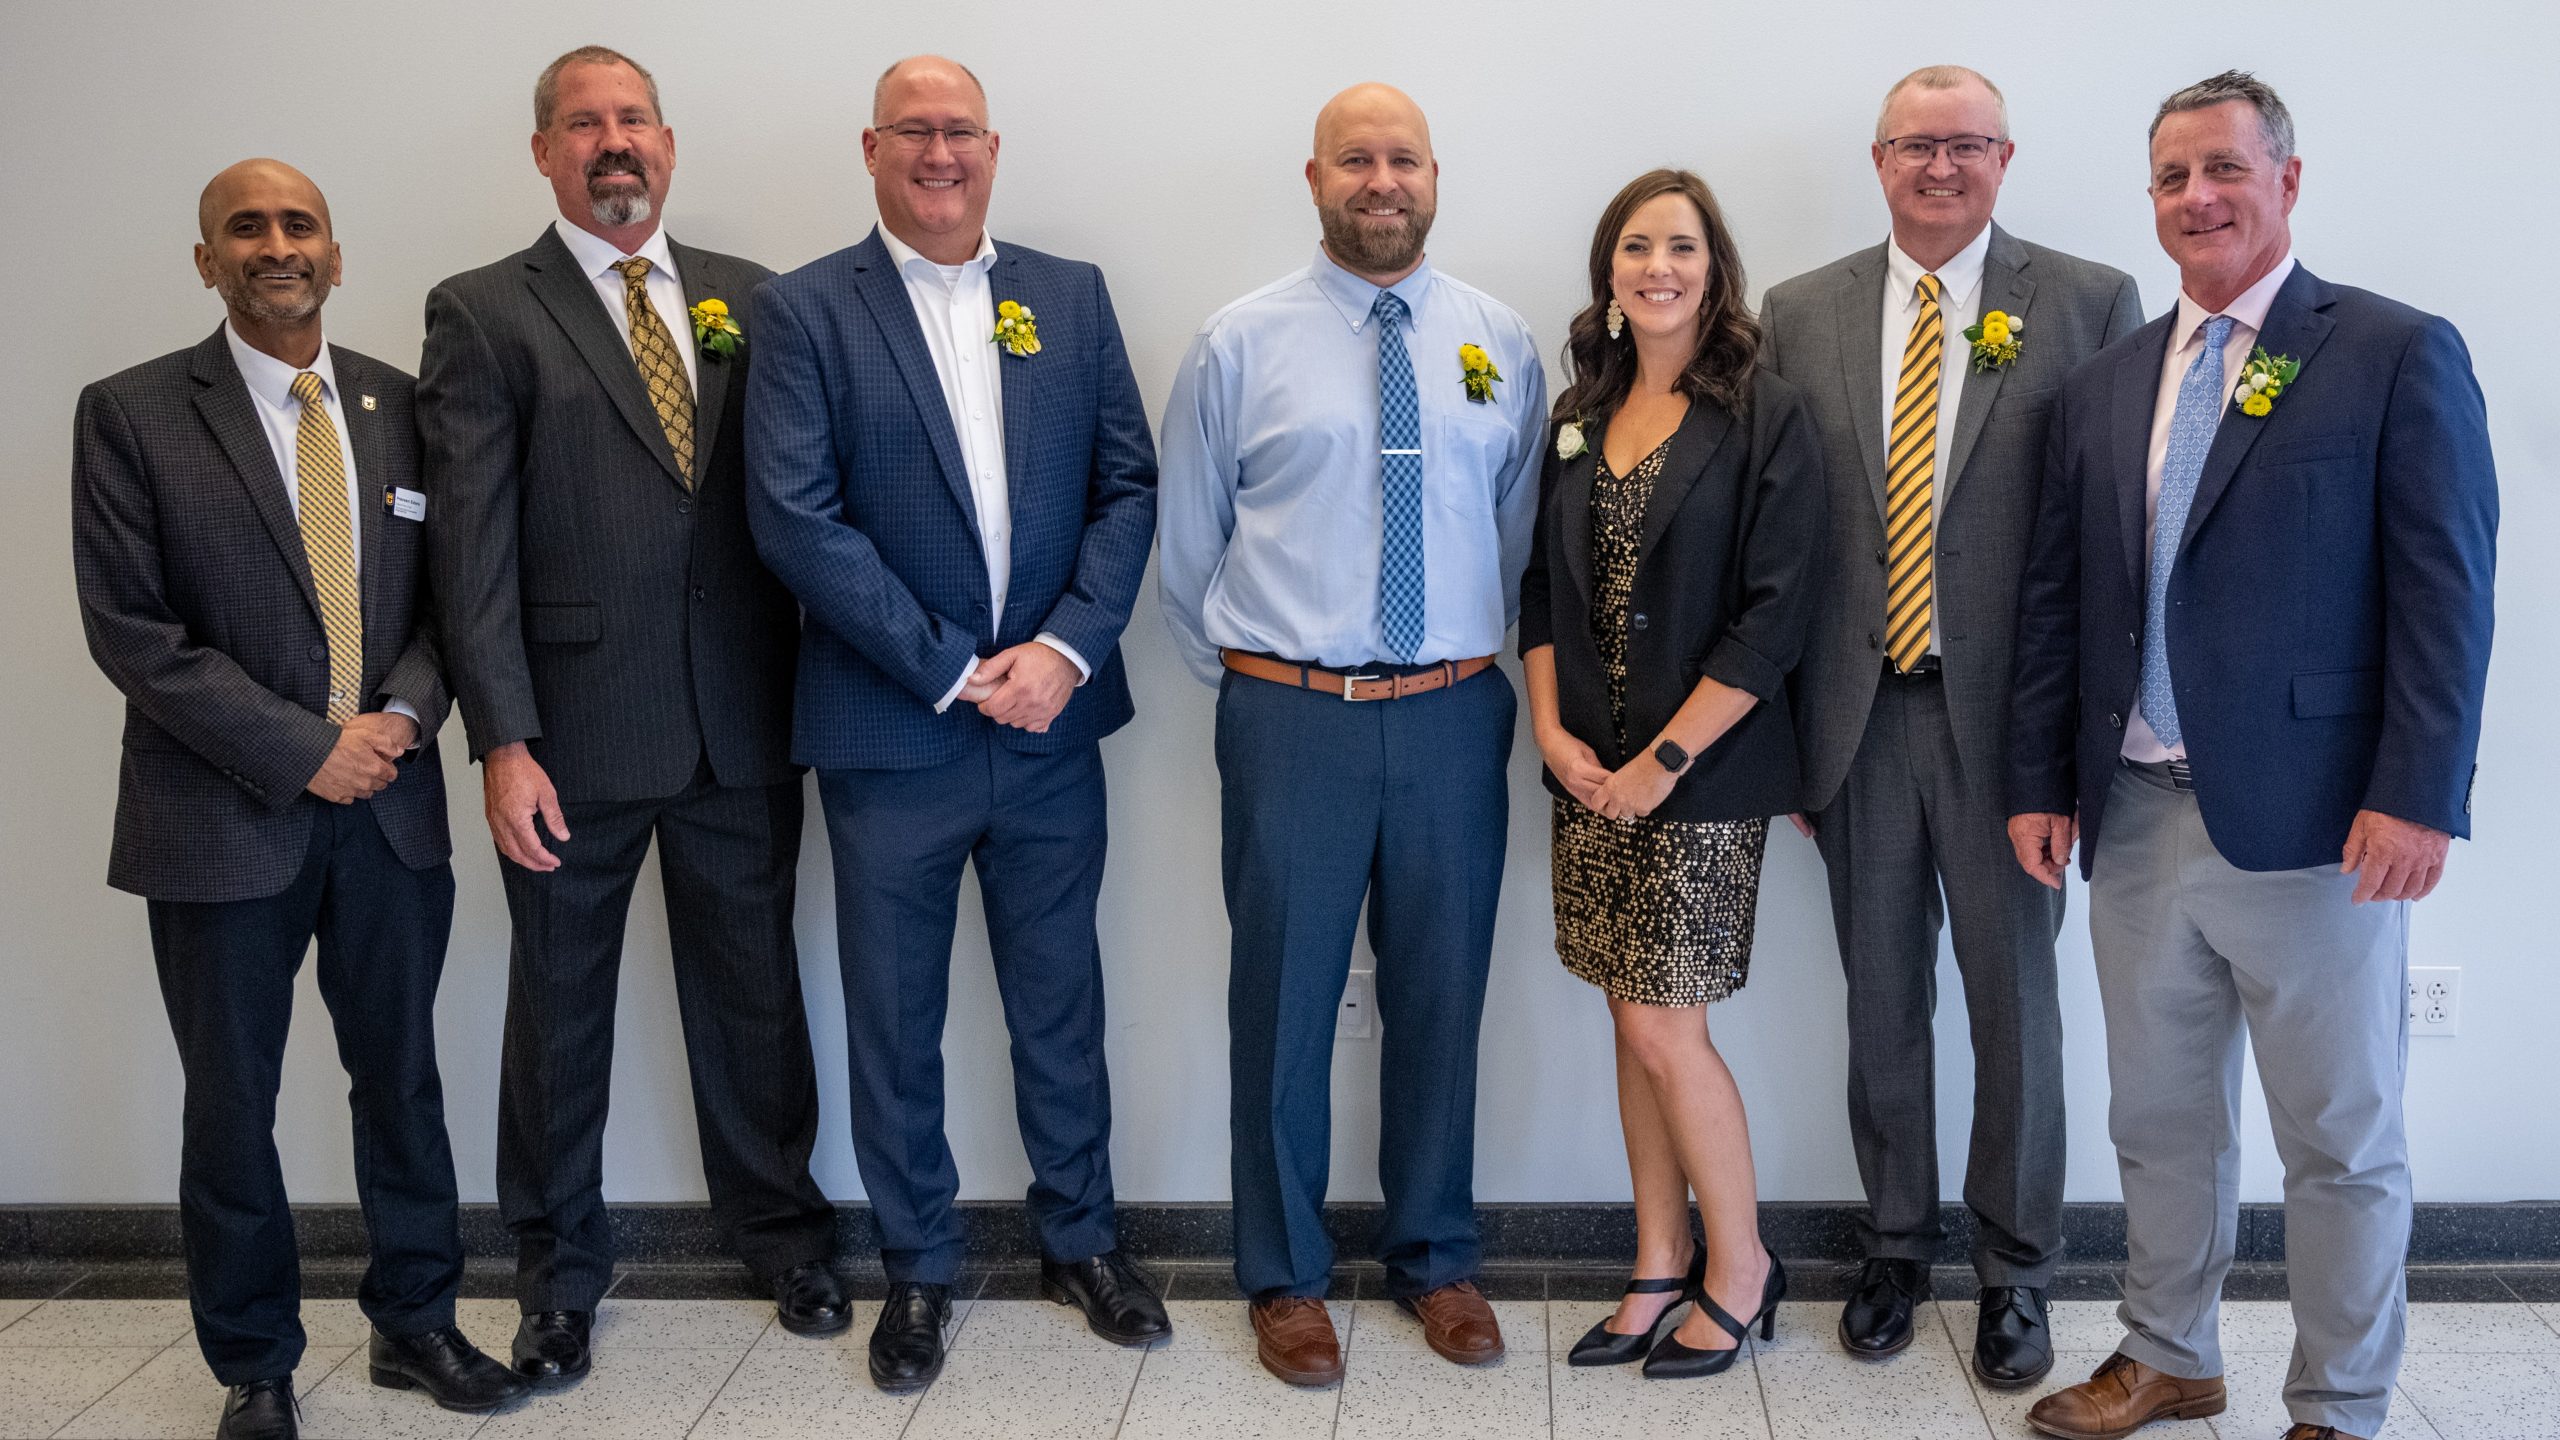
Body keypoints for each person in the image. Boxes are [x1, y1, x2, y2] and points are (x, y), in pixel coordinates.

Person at [2008, 72, 2496, 1440]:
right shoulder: (2108, 385)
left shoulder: (2391, 352)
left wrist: (2416, 795)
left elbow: (2446, 596)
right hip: (2134, 817)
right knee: (2157, 1121)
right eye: (2172, 176)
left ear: (2287, 180)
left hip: (2320, 825)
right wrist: (2040, 780)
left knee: (2337, 1138)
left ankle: (2337, 1400)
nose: (2197, 196)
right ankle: (2169, 1354)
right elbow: (2057, 601)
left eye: (2223, 167)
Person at [72, 159, 526, 1440]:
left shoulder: (400, 405)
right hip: (219, 820)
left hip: (389, 807)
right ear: (205, 261)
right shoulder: (132, 413)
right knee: (232, 1104)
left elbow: (452, 597)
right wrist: (301, 749)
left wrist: (405, 717)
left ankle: (416, 1323)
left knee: (402, 1081)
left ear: (335, 253)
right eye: (246, 228)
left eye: (299, 224)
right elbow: (132, 633)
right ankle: (255, 1363)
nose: (276, 244)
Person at [419, 46, 843, 1387]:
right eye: (585, 123)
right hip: (568, 738)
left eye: (634, 120)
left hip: (742, 720)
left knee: (757, 995)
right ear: (544, 152)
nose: (615, 141)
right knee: (558, 1017)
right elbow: (468, 550)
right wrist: (502, 742)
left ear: (668, 142)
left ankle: (784, 1237)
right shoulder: (484, 310)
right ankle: (556, 1279)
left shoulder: (751, 297)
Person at [745, 54, 1167, 1393]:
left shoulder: (1068, 296)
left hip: (1050, 729)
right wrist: (949, 667)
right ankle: (918, 1269)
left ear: (994, 148)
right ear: (872, 149)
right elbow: (795, 518)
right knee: (894, 1022)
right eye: (914, 131)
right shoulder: (804, 310)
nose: (941, 153)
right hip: (892, 736)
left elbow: (1127, 487)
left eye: (961, 131)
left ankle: (1081, 1242)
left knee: (1061, 1007)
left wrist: (1063, 650)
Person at [1758, 64, 2143, 1386]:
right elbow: (1784, 535)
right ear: (1878, 161)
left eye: (1966, 143)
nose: (1940, 166)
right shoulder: (1800, 311)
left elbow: (2111, 536)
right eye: (1915, 145)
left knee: (2014, 1008)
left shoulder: (2086, 302)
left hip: (2012, 734)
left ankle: (2017, 1269)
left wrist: (2080, 744)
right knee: (1881, 1003)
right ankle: (1893, 1247)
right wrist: (1786, 732)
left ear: (2004, 158)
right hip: (1854, 720)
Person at [1159, 82, 1547, 1388]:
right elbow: (1187, 547)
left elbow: (1512, 529)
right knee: (1283, 1001)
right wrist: (1267, 683)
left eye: (1405, 160)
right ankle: (1283, 1275)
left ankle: (1436, 1255)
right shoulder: (1238, 342)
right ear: (1315, 178)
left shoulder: (1497, 338)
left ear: (1434, 177)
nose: (1383, 181)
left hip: (1451, 718)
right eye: (1356, 159)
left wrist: (1448, 657)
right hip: (1292, 720)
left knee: (1442, 994)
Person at [1521, 168, 1825, 1380]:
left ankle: (1740, 1268)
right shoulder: (1578, 410)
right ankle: (1658, 1260)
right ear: (1609, 269)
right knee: (1626, 1013)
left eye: (1682, 247)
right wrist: (1550, 734)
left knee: (1664, 1022)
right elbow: (1539, 589)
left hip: (1699, 775)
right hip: (1587, 774)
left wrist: (1662, 761)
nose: (1658, 267)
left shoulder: (1765, 414)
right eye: (1637, 246)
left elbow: (1775, 617)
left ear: (1715, 270)